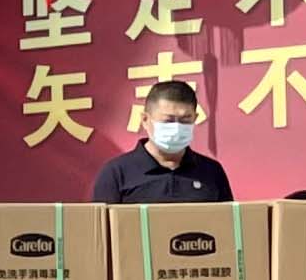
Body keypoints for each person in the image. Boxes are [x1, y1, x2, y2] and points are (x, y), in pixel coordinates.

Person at [91, 77, 233, 204]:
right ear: (145, 120)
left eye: (185, 120)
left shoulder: (211, 171)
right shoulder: (117, 173)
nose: (176, 127)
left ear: (195, 119)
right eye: (168, 120)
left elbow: (228, 221)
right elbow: (100, 224)